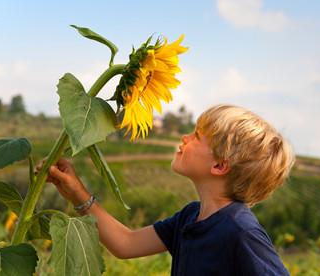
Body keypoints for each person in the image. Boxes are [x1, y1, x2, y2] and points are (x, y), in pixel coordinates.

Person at [39, 104, 295, 275]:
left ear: (219, 165)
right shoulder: (190, 217)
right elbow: (126, 244)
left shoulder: (240, 231)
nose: (185, 138)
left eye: (197, 135)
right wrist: (77, 193)